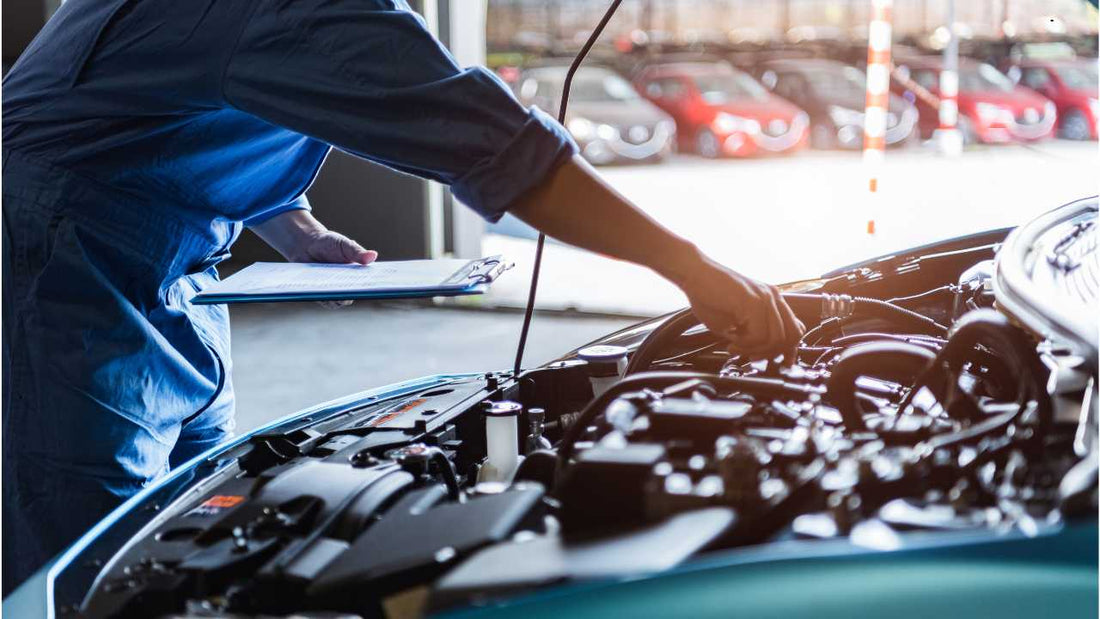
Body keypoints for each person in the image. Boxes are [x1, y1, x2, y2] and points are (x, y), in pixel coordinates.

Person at [0, 0, 803, 592]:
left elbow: (170, 101)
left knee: (194, 517)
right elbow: (501, 150)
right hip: (60, 255)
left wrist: (296, 228)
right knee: (87, 551)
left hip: (164, 251)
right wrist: (694, 269)